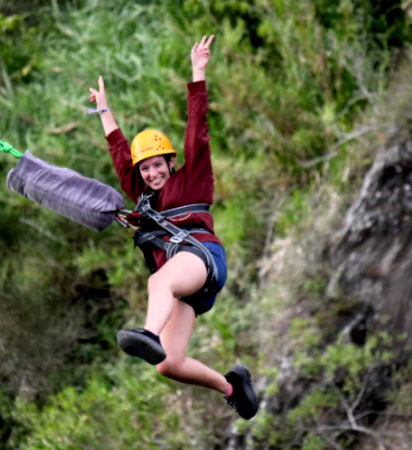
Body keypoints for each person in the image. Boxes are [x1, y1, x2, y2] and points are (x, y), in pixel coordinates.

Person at [88, 35, 259, 420]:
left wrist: (198, 72)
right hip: (189, 286)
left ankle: (147, 333)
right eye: (145, 168)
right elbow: (119, 153)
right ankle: (233, 388)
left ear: (170, 160)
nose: (152, 172)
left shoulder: (193, 178)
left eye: (158, 164)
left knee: (159, 281)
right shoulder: (143, 194)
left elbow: (197, 130)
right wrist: (104, 110)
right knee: (167, 363)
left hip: (202, 256)